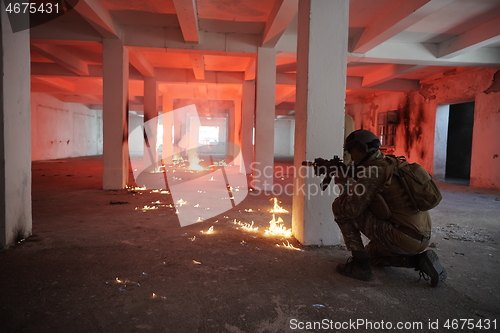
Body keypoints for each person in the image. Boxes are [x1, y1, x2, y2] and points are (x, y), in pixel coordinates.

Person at [332, 129, 447, 287]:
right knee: (372, 255)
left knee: (339, 206)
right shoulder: (389, 162)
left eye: (352, 151)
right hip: (420, 237)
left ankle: (359, 266)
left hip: (402, 236)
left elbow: (351, 210)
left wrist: (342, 182)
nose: (351, 156)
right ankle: (419, 261)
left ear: (361, 149)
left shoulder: (372, 172)